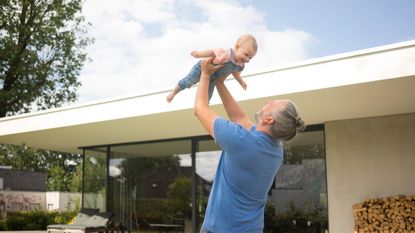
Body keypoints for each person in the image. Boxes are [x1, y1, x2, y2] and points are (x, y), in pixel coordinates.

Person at [194, 58, 306, 233]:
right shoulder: (275, 149)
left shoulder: (240, 140)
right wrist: (219, 82)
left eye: (272, 103)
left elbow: (200, 109)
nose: (268, 101)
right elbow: (238, 117)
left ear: (269, 119)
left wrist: (205, 74)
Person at [166, 34, 258, 103]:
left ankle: (202, 109)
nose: (247, 59)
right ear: (237, 47)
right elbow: (212, 52)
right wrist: (199, 54)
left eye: (250, 57)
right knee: (188, 81)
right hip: (202, 68)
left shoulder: (240, 66)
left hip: (213, 78)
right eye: (246, 54)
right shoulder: (227, 54)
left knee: (208, 96)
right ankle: (173, 93)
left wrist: (241, 82)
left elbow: (236, 74)